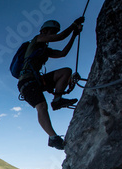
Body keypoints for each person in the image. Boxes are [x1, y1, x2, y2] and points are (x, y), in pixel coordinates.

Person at [17, 17, 84, 150]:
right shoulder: (37, 39)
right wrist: (74, 25)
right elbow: (60, 37)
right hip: (26, 81)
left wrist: (74, 36)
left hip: (36, 80)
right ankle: (53, 137)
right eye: (51, 31)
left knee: (66, 72)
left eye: (54, 31)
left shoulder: (45, 51)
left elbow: (63, 53)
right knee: (41, 106)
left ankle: (57, 100)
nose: (53, 34)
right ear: (44, 31)